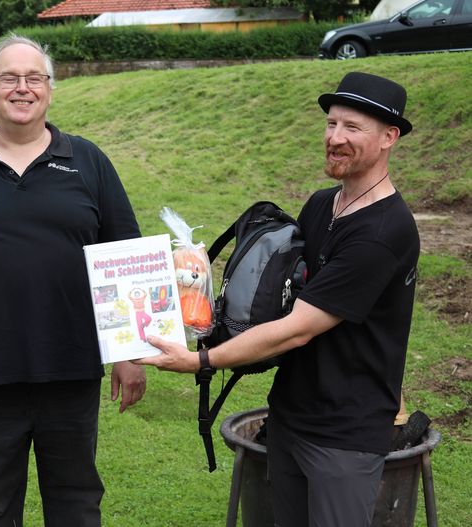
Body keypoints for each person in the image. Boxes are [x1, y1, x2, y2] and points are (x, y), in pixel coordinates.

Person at [137, 72, 419, 527]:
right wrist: (196, 284)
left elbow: (298, 326)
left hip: (344, 433)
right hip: (290, 414)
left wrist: (200, 361)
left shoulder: (384, 232)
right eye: (331, 124)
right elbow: (276, 300)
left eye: (352, 128)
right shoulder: (320, 204)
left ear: (389, 137)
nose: (335, 138)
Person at [0, 34, 146, 526]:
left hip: (73, 366)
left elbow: (123, 256)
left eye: (33, 78)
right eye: (9, 78)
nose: (22, 88)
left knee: (77, 501)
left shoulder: (88, 162)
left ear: (50, 89)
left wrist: (128, 353)